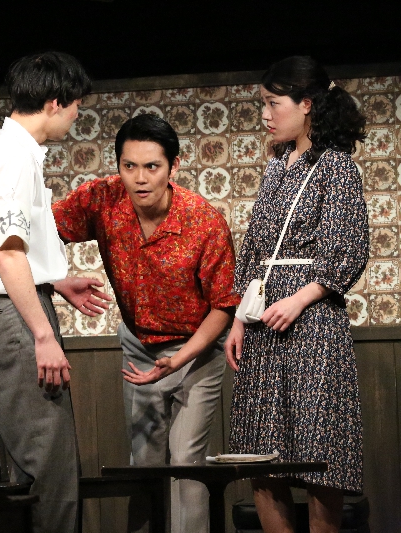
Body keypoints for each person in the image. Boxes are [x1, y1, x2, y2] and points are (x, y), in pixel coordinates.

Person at [52, 114, 240, 533]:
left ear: (173, 166)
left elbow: (224, 307)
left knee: (187, 460)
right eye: (129, 166)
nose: (139, 178)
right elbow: (39, 232)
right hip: (139, 346)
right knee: (145, 462)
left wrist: (180, 360)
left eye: (152, 166)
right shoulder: (102, 199)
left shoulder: (203, 221)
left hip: (196, 350)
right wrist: (56, 281)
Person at [0, 51, 110, 533]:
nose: (76, 116)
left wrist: (55, 281)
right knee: (49, 467)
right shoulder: (12, 157)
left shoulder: (18, 153)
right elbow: (7, 255)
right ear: (55, 103)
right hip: (15, 319)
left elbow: (14, 248)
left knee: (39, 467)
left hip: (19, 309)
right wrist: (43, 335)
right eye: (75, 107)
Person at [225, 56, 368, 533]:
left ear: (306, 104)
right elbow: (255, 249)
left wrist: (300, 298)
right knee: (261, 456)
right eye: (263, 104)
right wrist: (239, 318)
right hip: (264, 321)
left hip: (312, 322)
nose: (266, 114)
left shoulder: (336, 166)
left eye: (274, 103)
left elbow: (348, 247)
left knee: (318, 452)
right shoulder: (275, 168)